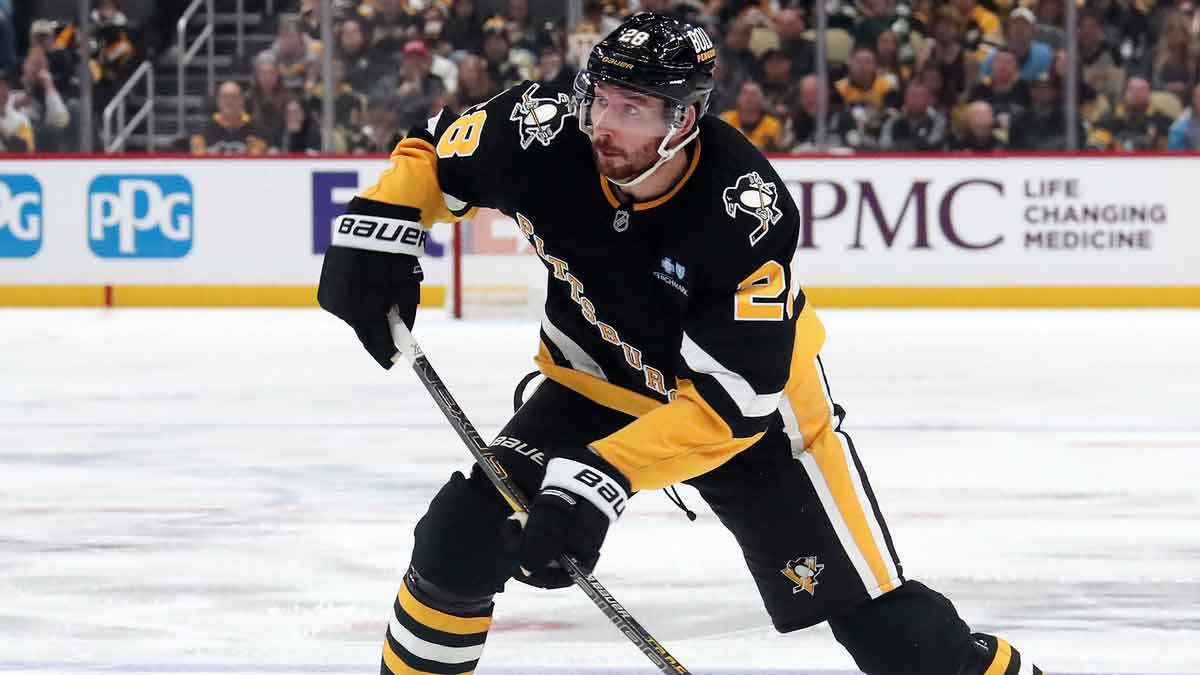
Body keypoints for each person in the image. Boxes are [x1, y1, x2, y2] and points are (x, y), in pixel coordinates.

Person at [316, 12, 1046, 675]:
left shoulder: (741, 210)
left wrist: (598, 479)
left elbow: (735, 403)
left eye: (631, 110)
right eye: (600, 97)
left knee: (895, 638)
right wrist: (378, 226)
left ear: (685, 119)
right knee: (455, 542)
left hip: (751, 426)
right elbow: (436, 158)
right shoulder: (544, 129)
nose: (603, 123)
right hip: (590, 387)